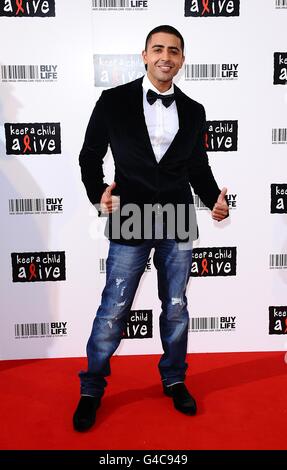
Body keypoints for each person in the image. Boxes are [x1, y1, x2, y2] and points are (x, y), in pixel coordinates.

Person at [73, 25, 229, 432]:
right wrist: (98, 194)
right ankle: (91, 388)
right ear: (144, 55)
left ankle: (175, 379)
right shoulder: (113, 101)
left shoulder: (194, 110)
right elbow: (89, 156)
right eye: (157, 49)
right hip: (129, 214)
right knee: (113, 309)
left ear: (181, 59)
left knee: (175, 307)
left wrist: (213, 198)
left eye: (173, 51)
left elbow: (197, 166)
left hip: (177, 215)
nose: (165, 57)